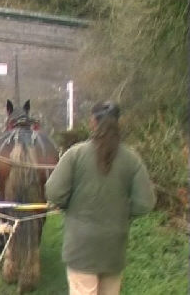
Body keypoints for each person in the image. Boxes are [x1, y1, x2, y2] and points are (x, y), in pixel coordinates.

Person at [45, 101, 155, 295]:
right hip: (113, 248)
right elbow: (145, 203)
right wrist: (123, 212)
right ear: (117, 123)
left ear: (93, 122)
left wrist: (66, 205)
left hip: (80, 247)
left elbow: (54, 192)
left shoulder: (75, 154)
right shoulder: (132, 159)